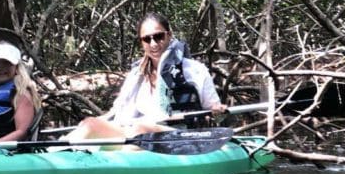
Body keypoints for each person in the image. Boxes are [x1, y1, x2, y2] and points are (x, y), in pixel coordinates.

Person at [66, 13, 226, 141]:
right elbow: (117, 111)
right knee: (89, 124)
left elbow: (214, 112)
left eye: (158, 36)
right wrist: (97, 123)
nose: (154, 44)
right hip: (134, 135)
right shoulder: (136, 75)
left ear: (168, 35)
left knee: (140, 130)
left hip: (179, 137)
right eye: (147, 39)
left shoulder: (195, 70)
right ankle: (55, 153)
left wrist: (218, 112)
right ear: (142, 43)